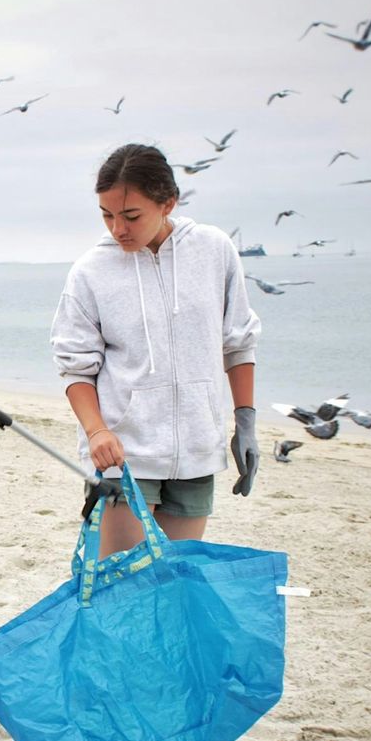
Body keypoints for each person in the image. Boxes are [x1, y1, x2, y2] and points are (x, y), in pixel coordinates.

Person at [50, 143, 262, 558]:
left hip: (198, 450)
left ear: (168, 203)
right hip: (124, 455)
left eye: (131, 216)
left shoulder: (214, 250)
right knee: (124, 587)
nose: (118, 229)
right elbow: (75, 367)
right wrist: (96, 431)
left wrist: (246, 421)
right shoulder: (91, 271)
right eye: (107, 215)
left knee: (175, 584)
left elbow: (237, 342)